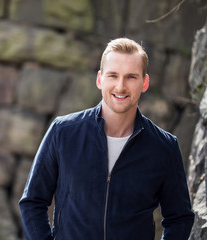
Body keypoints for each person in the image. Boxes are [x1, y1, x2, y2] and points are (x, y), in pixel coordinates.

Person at [19, 38, 194, 240]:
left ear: (144, 83)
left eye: (131, 77)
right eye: (113, 75)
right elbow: (32, 202)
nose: (120, 87)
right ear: (100, 79)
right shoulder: (63, 132)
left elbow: (179, 218)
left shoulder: (164, 147)